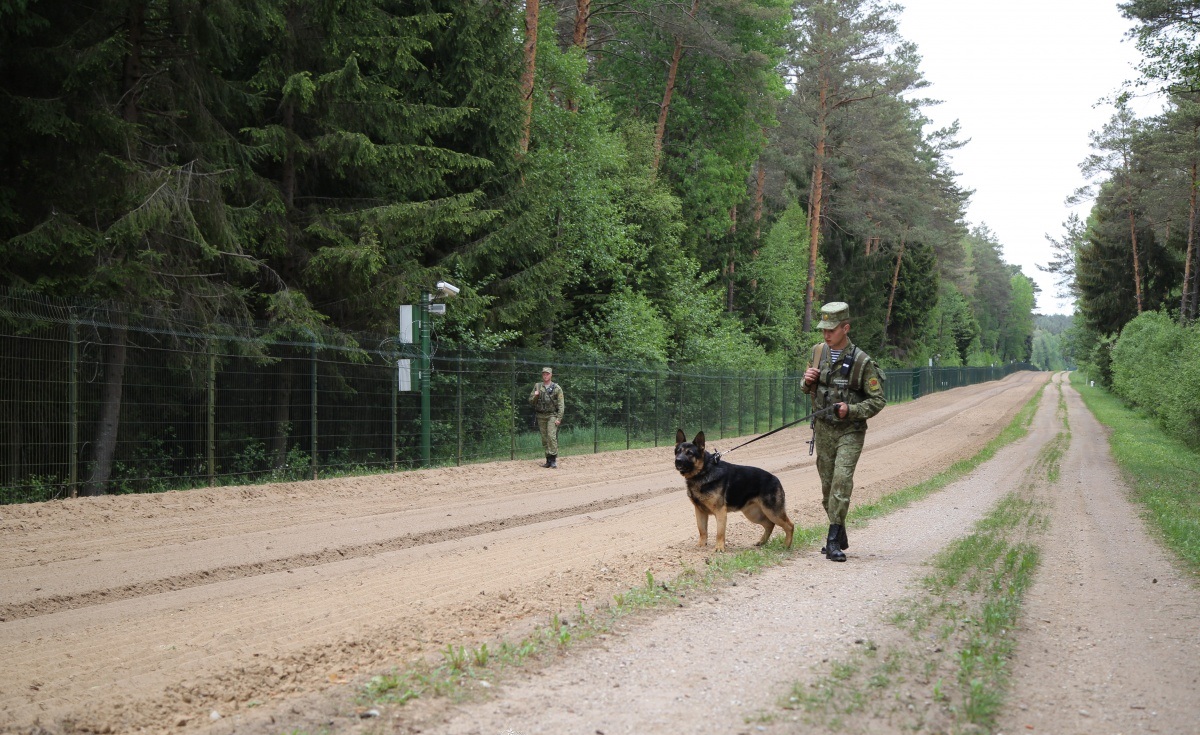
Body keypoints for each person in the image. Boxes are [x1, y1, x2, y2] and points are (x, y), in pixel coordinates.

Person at [800, 302, 886, 562]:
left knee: (841, 481)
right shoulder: (817, 353)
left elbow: (878, 400)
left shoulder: (862, 361)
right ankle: (841, 531)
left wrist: (851, 410)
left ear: (845, 328)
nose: (826, 335)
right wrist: (806, 381)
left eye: (832, 330)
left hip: (850, 431)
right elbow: (805, 388)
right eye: (824, 329)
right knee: (827, 489)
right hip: (823, 429)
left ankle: (833, 540)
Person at [529, 367, 565, 468]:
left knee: (551, 436)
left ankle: (553, 459)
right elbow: (531, 401)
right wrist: (536, 396)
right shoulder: (538, 386)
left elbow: (561, 404)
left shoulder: (556, 388)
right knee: (544, 438)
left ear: (551, 375)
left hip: (552, 415)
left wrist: (559, 418)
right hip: (540, 415)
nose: (545, 376)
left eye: (547, 374)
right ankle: (548, 460)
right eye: (544, 374)